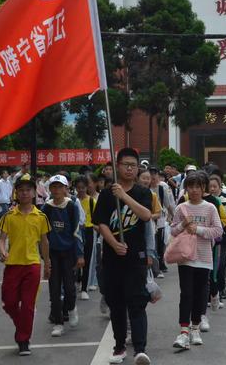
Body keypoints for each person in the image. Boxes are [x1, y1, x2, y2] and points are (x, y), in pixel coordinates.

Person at [92, 148, 153, 365]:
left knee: (137, 302)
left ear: (138, 168)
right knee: (116, 303)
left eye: (133, 165)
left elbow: (146, 215)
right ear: (117, 166)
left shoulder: (142, 192)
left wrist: (124, 196)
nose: (129, 168)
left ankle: (140, 349)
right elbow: (100, 223)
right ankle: (119, 346)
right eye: (125, 164)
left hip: (135, 257)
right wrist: (114, 243)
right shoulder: (108, 194)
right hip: (112, 257)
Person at [0, 175, 51, 356]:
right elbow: (2, 240)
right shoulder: (9, 216)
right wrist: (2, 251)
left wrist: (47, 264)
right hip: (13, 265)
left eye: (28, 190)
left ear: (34, 193)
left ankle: (23, 340)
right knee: (9, 303)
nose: (24, 193)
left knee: (28, 305)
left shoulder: (41, 216)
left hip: (33, 265)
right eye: (21, 190)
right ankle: (22, 325)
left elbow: (44, 243)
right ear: (16, 193)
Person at [171, 172, 223, 350]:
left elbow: (218, 231)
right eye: (190, 186)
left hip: (204, 257)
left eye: (197, 187)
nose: (194, 190)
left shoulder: (210, 208)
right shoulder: (181, 208)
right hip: (185, 258)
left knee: (200, 294)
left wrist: (198, 230)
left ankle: (195, 328)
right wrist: (183, 225)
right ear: (186, 188)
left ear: (203, 188)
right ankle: (184, 331)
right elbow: (173, 231)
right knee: (186, 293)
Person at [42, 175, 84, 337]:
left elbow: (77, 231)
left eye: (60, 187)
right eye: (54, 187)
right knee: (54, 288)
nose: (57, 190)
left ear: (66, 189)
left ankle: (71, 308)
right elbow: (43, 234)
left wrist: (79, 254)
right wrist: (44, 257)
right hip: (53, 253)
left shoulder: (71, 206)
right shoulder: (47, 208)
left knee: (69, 286)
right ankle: (58, 322)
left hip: (68, 252)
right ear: (50, 189)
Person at [149, 167, 175, 276]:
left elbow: (168, 204)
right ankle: (155, 268)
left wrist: (172, 216)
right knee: (152, 243)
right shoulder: (145, 189)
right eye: (151, 176)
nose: (153, 178)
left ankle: (160, 263)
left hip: (160, 220)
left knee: (160, 243)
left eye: (155, 175)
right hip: (149, 220)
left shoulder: (161, 188)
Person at [74, 175, 97, 300]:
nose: (81, 190)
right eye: (78, 188)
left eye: (83, 187)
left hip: (89, 230)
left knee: (87, 259)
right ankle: (76, 280)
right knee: (76, 259)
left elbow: (96, 218)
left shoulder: (92, 201)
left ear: (87, 187)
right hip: (76, 232)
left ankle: (84, 287)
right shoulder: (72, 200)